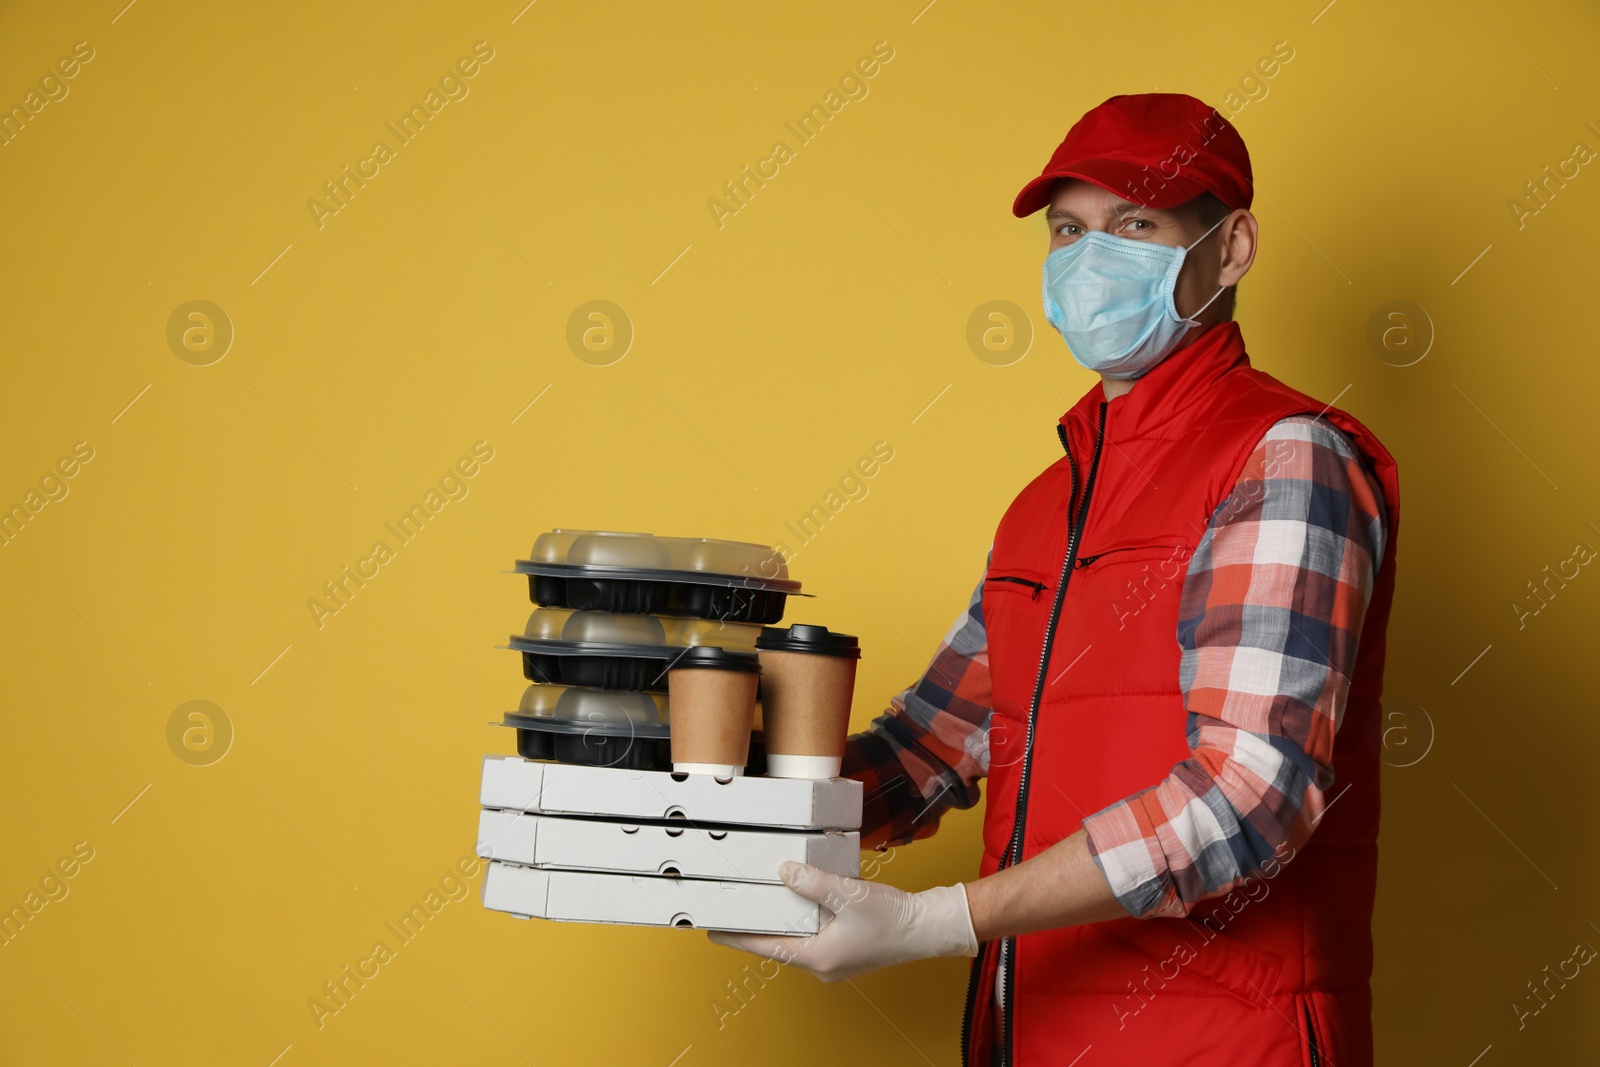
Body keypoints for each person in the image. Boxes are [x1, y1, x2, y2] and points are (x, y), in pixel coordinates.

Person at [710, 92, 1399, 1067]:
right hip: (1029, 1030)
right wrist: (722, 793)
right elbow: (925, 750)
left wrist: (938, 920)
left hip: (1218, 1042)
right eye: (1068, 230)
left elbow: (1251, 795)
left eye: (1134, 224)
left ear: (1231, 247)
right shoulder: (1046, 504)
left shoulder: (1282, 459)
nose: (1089, 257)